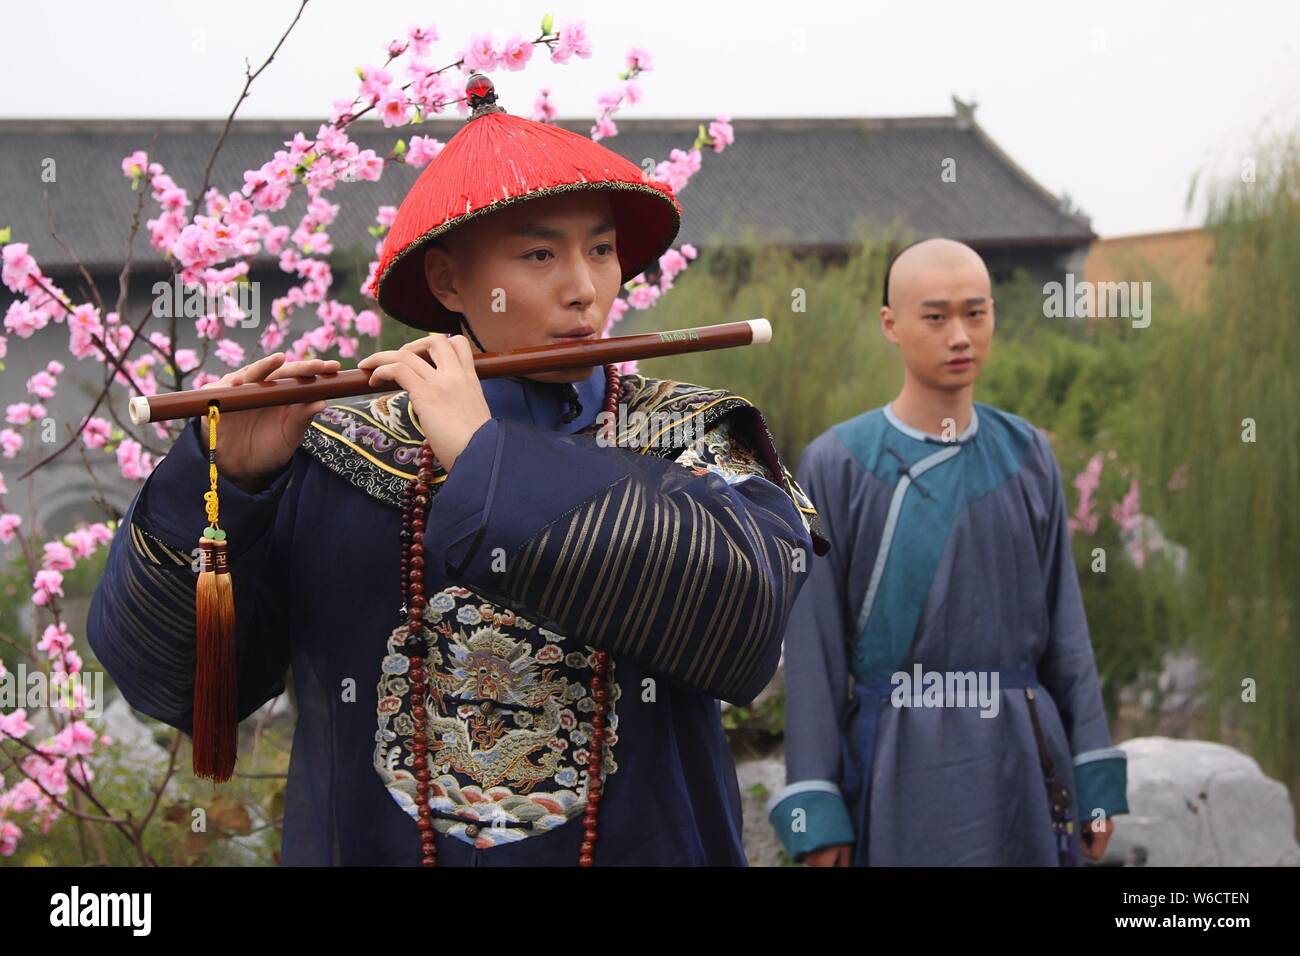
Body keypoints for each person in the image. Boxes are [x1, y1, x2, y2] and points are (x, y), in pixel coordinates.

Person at [87, 74, 828, 866]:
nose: (584, 289)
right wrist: (226, 485)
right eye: (539, 254)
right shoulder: (339, 452)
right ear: (448, 282)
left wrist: (484, 457)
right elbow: (183, 688)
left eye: (601, 250)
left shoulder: (696, 434)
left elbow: (745, 622)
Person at [767, 238, 1128, 866]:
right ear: (891, 324)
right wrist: (816, 807)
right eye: (935, 317)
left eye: (975, 313)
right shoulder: (838, 463)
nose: (959, 336)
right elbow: (814, 651)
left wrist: (1093, 778)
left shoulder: (1027, 454)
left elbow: (1067, 631)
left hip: (1023, 754)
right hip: (900, 757)